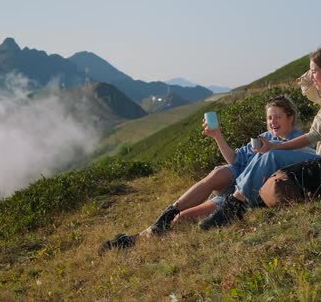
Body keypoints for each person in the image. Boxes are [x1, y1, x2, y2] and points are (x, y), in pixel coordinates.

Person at [99, 96, 306, 253]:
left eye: (277, 117)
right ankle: (165, 215)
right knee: (218, 173)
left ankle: (137, 238)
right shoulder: (263, 137)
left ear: (290, 117)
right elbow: (235, 159)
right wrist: (217, 136)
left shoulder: (299, 140)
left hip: (241, 194)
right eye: (269, 117)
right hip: (232, 181)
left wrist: (274, 149)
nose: (273, 122)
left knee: (181, 220)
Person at [197, 47, 321, 230]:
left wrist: (276, 148)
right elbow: (307, 90)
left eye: (314, 71)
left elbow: (312, 137)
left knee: (272, 155)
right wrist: (312, 74)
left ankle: (232, 207)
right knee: (270, 153)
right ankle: (236, 201)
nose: (311, 75)